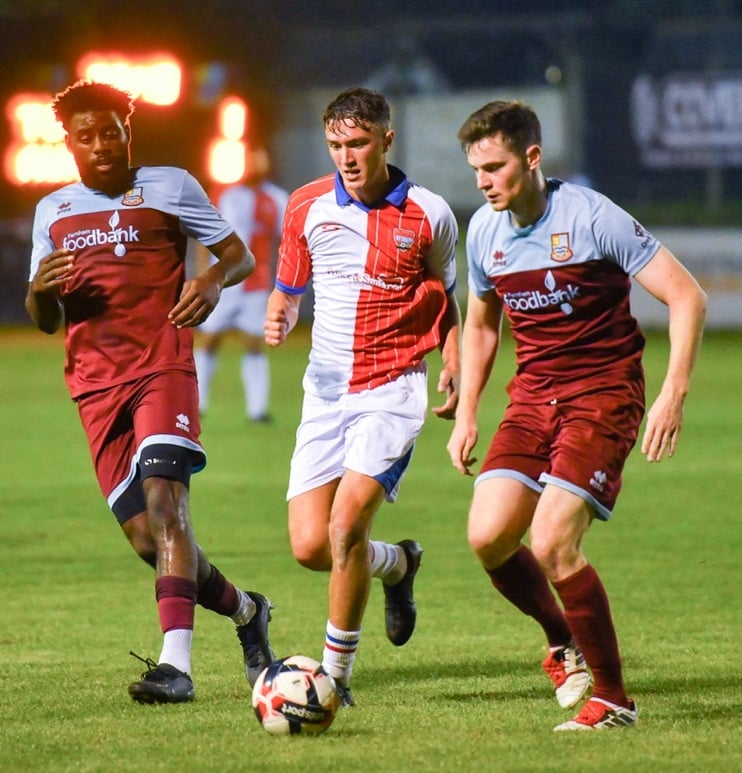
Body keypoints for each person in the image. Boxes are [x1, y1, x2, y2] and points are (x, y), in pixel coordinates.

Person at [447, 100, 706, 731]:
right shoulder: (485, 230)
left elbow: (687, 296)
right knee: (487, 536)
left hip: (602, 393)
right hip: (533, 397)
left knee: (553, 540)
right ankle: (565, 642)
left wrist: (673, 391)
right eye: (475, 168)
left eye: (494, 166)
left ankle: (614, 699)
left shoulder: (592, 216)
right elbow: (482, 324)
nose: (483, 180)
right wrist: (467, 414)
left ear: (532, 158)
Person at [26, 80, 276, 705]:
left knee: (168, 505)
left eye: (111, 131)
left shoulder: (171, 185)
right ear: (69, 143)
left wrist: (214, 279)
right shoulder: (52, 211)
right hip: (94, 386)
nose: (101, 144)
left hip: (163, 367)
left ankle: (177, 667)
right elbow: (45, 318)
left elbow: (238, 256)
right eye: (87, 135)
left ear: (126, 132)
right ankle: (249, 612)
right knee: (148, 539)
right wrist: (39, 290)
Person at [264, 86, 461, 707]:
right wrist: (279, 313)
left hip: (393, 388)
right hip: (323, 392)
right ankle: (399, 564)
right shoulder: (305, 207)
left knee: (346, 524)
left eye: (357, 143)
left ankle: (334, 679)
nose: (345, 157)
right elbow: (287, 288)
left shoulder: (429, 215)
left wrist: (453, 361)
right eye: (335, 145)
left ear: (386, 140)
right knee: (310, 547)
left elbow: (447, 299)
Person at [194, 148, 289, 422]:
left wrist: (284, 280)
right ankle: (197, 403)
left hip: (256, 283)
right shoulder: (225, 194)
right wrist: (203, 272)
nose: (253, 165)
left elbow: (287, 241)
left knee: (254, 342)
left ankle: (256, 410)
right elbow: (203, 234)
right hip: (222, 279)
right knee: (209, 339)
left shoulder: (276, 198)